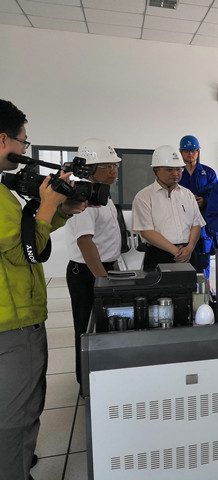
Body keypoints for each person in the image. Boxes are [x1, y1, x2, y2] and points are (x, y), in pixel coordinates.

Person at [0, 99, 87, 480]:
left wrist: (58, 211)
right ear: (3, 140)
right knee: (17, 415)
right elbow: (25, 253)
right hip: (13, 323)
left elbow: (25, 238)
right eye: (23, 141)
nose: (24, 148)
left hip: (12, 317)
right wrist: (48, 205)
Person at [65, 138, 122, 387]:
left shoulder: (102, 195)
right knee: (86, 329)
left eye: (115, 165)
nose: (114, 171)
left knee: (104, 327)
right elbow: (85, 242)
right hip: (88, 272)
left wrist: (115, 269)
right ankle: (86, 384)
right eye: (108, 166)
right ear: (89, 168)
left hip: (105, 268)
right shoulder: (83, 197)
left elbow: (107, 240)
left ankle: (102, 379)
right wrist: (103, 279)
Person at [131, 145, 205, 270]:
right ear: (156, 170)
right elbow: (146, 231)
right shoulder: (144, 196)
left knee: (190, 283)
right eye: (169, 169)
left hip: (188, 254)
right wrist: (177, 252)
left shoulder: (187, 194)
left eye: (179, 169)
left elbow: (196, 224)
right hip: (159, 255)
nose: (175, 173)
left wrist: (190, 248)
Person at [178, 135, 218, 281]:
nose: (191, 154)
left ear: (198, 151)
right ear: (181, 152)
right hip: (180, 224)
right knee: (181, 263)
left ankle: (204, 291)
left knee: (202, 264)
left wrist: (205, 201)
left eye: (194, 150)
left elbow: (217, 196)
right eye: (187, 151)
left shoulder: (208, 173)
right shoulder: (176, 172)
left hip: (203, 227)